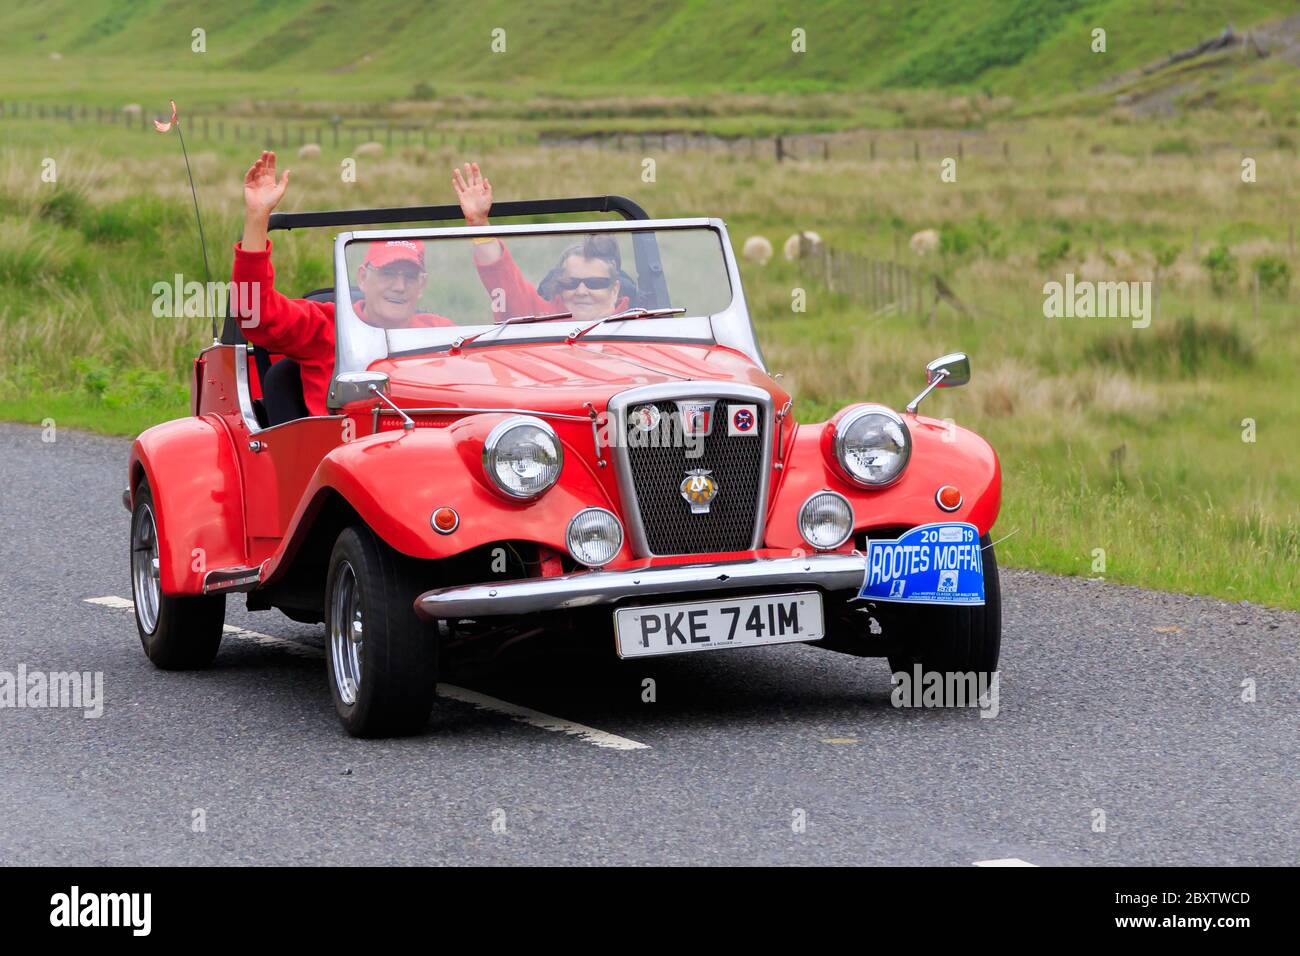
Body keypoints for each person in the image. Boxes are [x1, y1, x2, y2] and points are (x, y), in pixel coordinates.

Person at [232, 151, 456, 421]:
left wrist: (481, 231)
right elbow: (255, 314)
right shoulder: (326, 327)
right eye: (388, 273)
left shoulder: (441, 333)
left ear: (422, 285)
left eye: (409, 276)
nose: (399, 286)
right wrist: (257, 217)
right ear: (362, 277)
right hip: (341, 453)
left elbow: (514, 330)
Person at [452, 162, 631, 323]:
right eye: (571, 283)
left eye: (595, 283)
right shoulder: (539, 319)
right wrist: (478, 223)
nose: (582, 291)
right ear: (560, 287)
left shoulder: (641, 323)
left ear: (614, 289)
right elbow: (504, 281)